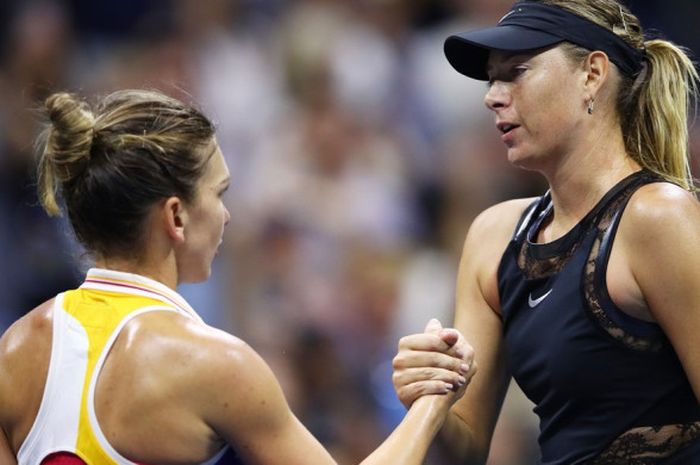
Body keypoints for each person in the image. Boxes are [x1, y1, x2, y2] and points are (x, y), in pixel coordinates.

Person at [0, 89, 473, 465]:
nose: (227, 216)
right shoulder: (214, 364)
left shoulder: (14, 350)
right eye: (219, 193)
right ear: (177, 217)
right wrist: (434, 398)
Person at [391, 0, 700, 464]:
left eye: (516, 71)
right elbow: (467, 449)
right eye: (492, 79)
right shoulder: (493, 236)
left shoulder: (657, 216)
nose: (492, 95)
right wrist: (431, 394)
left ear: (592, 75)